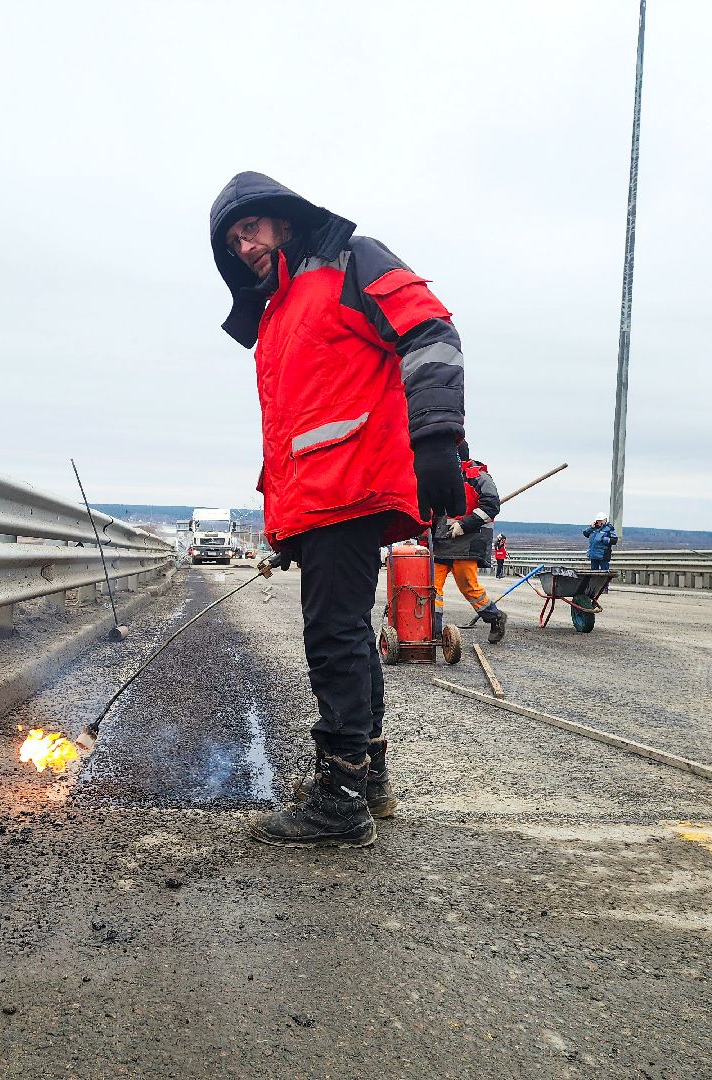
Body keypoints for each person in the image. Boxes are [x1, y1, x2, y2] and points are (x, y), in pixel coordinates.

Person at [209, 171, 467, 848]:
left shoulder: (348, 262)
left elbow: (431, 328)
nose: (245, 245)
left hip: (352, 487)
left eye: (253, 227)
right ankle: (367, 781)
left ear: (285, 222)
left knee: (333, 640)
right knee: (347, 634)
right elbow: (299, 422)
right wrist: (285, 519)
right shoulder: (280, 311)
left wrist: (438, 437)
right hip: (323, 498)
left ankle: (339, 799)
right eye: (234, 239)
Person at [432, 445, 507, 646]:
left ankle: (495, 617)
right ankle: (433, 631)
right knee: (431, 588)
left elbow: (491, 505)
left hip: (467, 542)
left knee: (468, 587)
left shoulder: (479, 477)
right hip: (440, 542)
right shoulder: (438, 477)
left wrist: (464, 525)